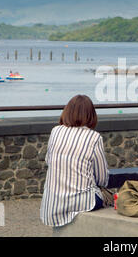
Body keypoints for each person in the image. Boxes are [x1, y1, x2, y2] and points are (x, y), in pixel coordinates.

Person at [40, 95, 108, 229]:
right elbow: (102, 178)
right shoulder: (94, 137)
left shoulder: (55, 131)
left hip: (52, 202)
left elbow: (49, 160)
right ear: (91, 115)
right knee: (107, 198)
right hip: (83, 201)